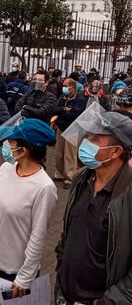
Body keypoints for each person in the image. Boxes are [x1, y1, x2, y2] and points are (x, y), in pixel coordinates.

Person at [54, 111, 132, 304]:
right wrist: (61, 265)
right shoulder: (81, 179)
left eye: (94, 139)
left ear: (116, 151)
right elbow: (70, 232)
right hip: (65, 294)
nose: (85, 142)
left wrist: (109, 302)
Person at [0, 119, 57, 298]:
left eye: (11, 142)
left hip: (15, 273)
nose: (6, 146)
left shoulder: (44, 187)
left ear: (23, 150)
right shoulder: (6, 168)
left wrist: (24, 277)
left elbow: (38, 237)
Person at [52, 78, 88, 189]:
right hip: (61, 127)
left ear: (72, 87)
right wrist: (64, 109)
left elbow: (75, 114)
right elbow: (54, 109)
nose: (64, 88)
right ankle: (59, 173)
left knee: (70, 154)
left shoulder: (80, 99)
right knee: (59, 153)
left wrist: (61, 113)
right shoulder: (62, 98)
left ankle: (69, 177)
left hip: (72, 128)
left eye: (66, 85)